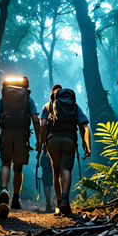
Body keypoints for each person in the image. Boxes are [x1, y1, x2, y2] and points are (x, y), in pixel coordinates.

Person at [0, 77, 40, 218]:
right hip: (21, 135)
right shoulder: (28, 100)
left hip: (5, 133)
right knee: (18, 168)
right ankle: (16, 199)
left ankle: (4, 189)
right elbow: (36, 121)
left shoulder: (3, 99)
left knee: (6, 163)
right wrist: (39, 140)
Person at [39, 84, 91, 216]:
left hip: (52, 141)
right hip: (69, 140)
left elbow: (43, 124)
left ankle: (58, 202)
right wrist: (86, 144)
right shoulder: (74, 106)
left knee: (56, 172)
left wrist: (43, 142)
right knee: (66, 169)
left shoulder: (47, 106)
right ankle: (65, 199)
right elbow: (84, 126)